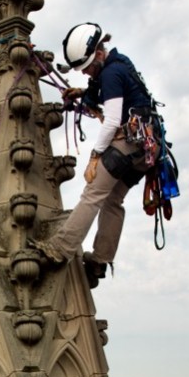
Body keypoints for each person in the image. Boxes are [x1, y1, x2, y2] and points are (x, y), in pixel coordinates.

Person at [32, 22, 159, 285]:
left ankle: (59, 249)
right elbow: (119, 99)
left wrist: (95, 155)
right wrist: (83, 93)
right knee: (113, 200)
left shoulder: (111, 73)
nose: (86, 73)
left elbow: (111, 121)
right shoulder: (119, 66)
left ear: (100, 53)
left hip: (130, 144)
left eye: (88, 67)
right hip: (148, 150)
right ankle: (99, 261)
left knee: (93, 194)